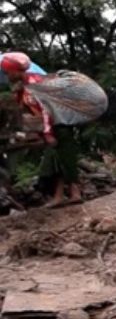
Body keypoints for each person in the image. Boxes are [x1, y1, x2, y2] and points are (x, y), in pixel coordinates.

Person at [1, 52, 81, 206]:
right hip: (50, 128)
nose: (6, 76)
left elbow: (46, 110)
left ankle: (73, 192)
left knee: (65, 159)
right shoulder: (23, 88)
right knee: (56, 162)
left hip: (60, 125)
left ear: (15, 71)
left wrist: (48, 133)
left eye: (7, 72)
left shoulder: (36, 83)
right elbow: (31, 112)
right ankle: (61, 195)